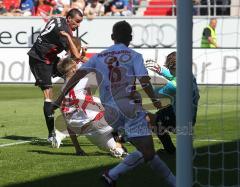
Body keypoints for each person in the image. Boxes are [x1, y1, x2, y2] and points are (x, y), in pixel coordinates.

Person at [53, 20, 176, 187]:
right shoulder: (134, 56)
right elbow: (145, 82)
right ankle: (112, 173)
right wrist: (154, 100)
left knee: (147, 150)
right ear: (130, 38)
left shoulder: (99, 57)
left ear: (112, 37)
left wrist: (59, 100)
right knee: (147, 144)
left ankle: (117, 169)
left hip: (109, 112)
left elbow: (76, 76)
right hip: (128, 108)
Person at [54, 55, 128, 158]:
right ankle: (122, 133)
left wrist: (78, 149)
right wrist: (82, 57)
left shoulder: (60, 96)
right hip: (101, 121)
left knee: (118, 150)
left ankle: (117, 144)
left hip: (91, 132)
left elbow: (69, 127)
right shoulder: (82, 81)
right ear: (73, 69)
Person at [28, 8, 83, 142]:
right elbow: (75, 55)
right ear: (69, 18)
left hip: (50, 58)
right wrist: (71, 39)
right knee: (48, 95)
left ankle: (65, 100)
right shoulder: (64, 33)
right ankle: (51, 134)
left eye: (80, 22)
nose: (78, 25)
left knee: (72, 69)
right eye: (76, 22)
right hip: (40, 60)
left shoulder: (58, 19)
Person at [146, 51, 200, 155]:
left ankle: (171, 150)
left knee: (150, 120)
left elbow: (155, 93)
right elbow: (173, 76)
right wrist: (159, 69)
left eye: (168, 67)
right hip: (188, 115)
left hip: (180, 119)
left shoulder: (174, 85)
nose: (168, 70)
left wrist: (144, 82)